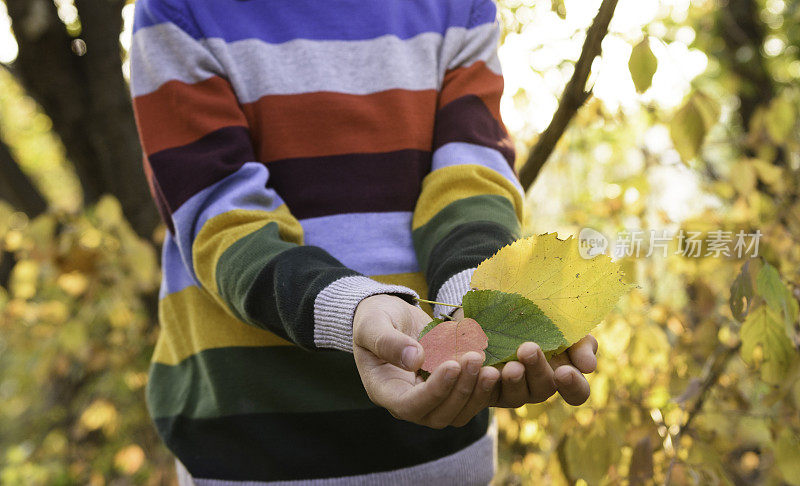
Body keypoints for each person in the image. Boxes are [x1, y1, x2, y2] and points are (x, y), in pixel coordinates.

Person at [129, 0, 598, 484]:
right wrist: (351, 308)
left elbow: (472, 181)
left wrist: (480, 299)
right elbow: (222, 220)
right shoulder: (180, 10)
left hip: (444, 454)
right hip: (253, 448)